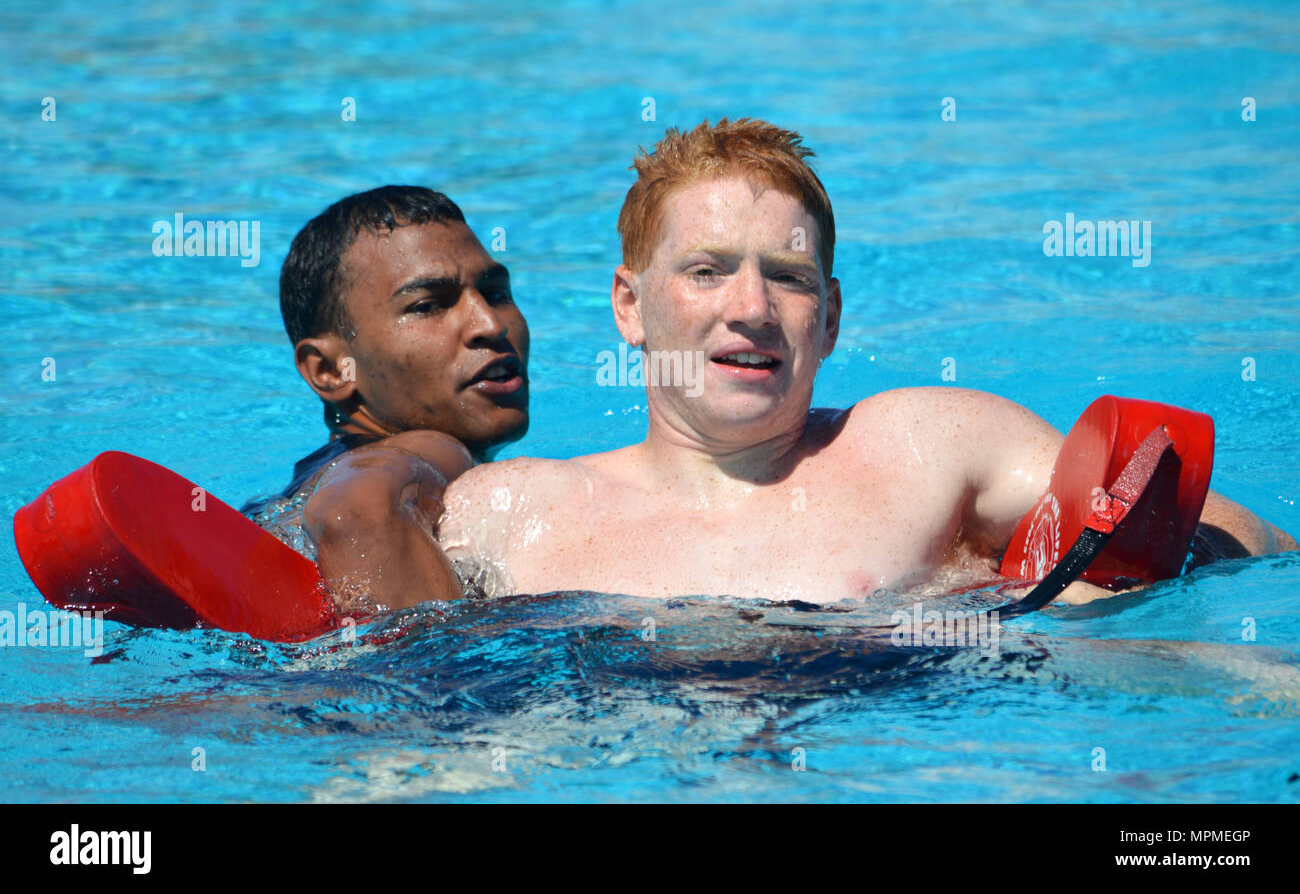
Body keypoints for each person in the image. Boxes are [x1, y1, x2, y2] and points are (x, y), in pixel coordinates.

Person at [429, 118, 1295, 604]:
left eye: (788, 277)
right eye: (707, 270)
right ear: (629, 305)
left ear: (831, 316)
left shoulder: (928, 448)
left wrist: (1112, 577)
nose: (751, 309)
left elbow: (1256, 542)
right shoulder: (510, 514)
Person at [243, 186, 529, 614]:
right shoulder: (434, 450)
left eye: (495, 293)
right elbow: (355, 511)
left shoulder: (296, 493)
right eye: (428, 305)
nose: (489, 324)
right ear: (329, 370)